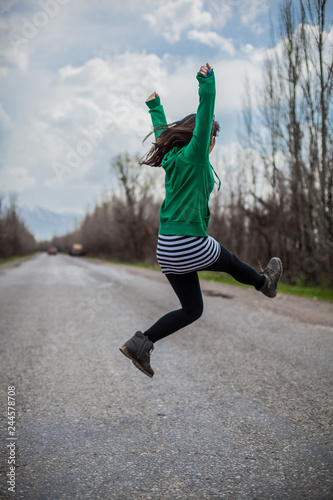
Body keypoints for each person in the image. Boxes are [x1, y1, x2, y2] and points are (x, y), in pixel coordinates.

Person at [120, 62, 283, 378]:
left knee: (193, 309)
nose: (211, 143)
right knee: (232, 261)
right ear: (202, 137)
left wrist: (155, 106)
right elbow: (205, 113)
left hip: (166, 249)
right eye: (210, 137)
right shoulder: (195, 157)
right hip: (188, 241)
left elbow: (161, 134)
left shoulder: (171, 159)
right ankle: (265, 283)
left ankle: (142, 343)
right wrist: (207, 84)